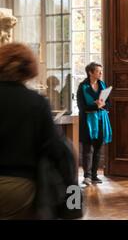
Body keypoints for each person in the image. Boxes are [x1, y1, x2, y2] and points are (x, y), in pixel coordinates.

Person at [0, 43, 77, 219]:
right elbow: (54, 147)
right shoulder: (36, 102)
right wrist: (74, 200)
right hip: (19, 187)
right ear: (28, 69)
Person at [77, 62, 112, 186]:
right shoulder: (83, 87)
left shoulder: (103, 85)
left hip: (102, 120)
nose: (101, 73)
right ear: (90, 72)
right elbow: (81, 107)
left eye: (101, 71)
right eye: (98, 71)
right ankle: (87, 176)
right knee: (88, 149)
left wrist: (103, 105)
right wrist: (95, 105)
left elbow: (109, 104)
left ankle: (95, 175)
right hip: (88, 121)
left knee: (98, 148)